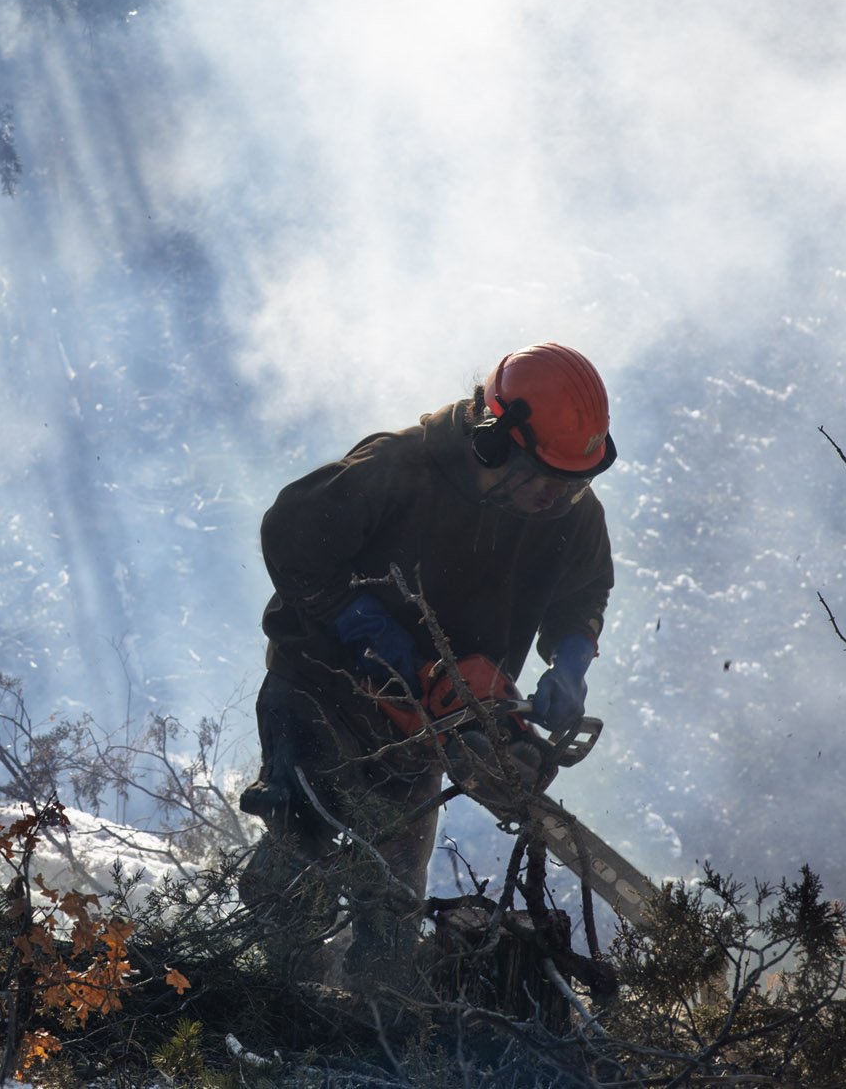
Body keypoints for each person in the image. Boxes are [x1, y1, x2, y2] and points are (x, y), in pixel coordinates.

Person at [237, 342, 617, 986]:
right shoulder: (398, 470)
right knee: (299, 866)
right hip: (321, 694)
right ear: (494, 442)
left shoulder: (569, 514)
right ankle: (271, 1010)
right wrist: (356, 620)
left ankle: (376, 1026)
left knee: (389, 908)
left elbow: (583, 594)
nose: (557, 497)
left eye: (574, 482)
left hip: (426, 727)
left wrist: (571, 662)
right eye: (546, 480)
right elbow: (291, 534)